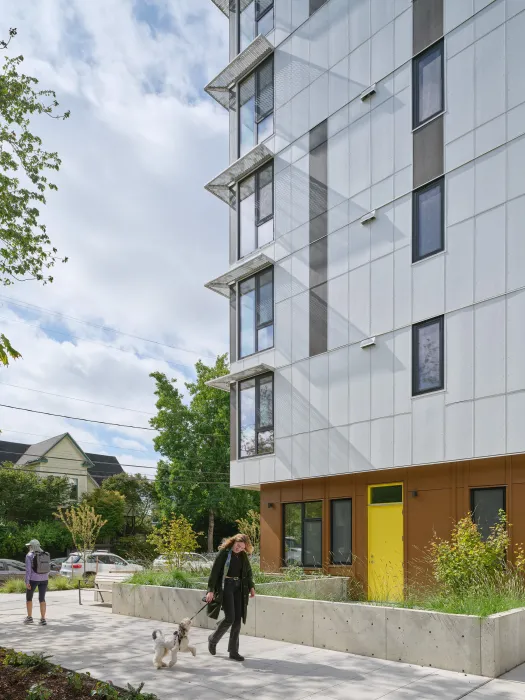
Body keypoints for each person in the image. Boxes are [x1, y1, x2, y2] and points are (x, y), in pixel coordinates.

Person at [206, 533, 255, 662]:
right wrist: (210, 590)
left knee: (237, 621)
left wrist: (251, 586)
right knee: (230, 618)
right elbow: (214, 572)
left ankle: (233, 651)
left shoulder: (243, 556)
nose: (239, 549)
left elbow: (248, 573)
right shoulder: (224, 553)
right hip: (226, 587)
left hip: (239, 588)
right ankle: (213, 639)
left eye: (242, 547)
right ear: (233, 542)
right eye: (238, 546)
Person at [24, 539, 49, 626]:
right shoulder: (46, 554)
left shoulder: (29, 555)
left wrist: (27, 582)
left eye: (29, 546)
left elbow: (28, 570)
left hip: (33, 580)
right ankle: (43, 619)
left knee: (29, 598)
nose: (28, 547)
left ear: (31, 546)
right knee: (42, 599)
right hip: (44, 580)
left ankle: (30, 617)